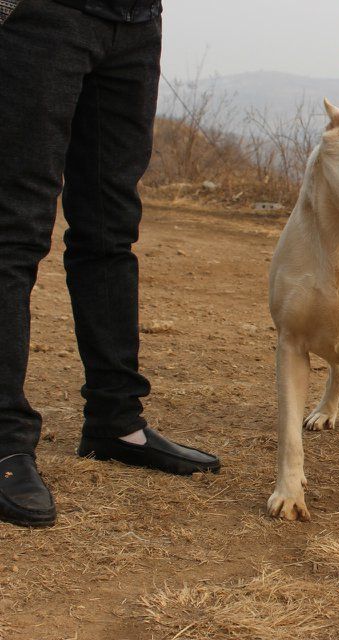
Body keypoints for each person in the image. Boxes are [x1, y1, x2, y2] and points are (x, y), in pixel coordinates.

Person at [0, 0, 220, 529]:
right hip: (40, 14)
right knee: (17, 227)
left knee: (111, 227)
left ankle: (115, 422)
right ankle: (5, 441)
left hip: (137, 22)